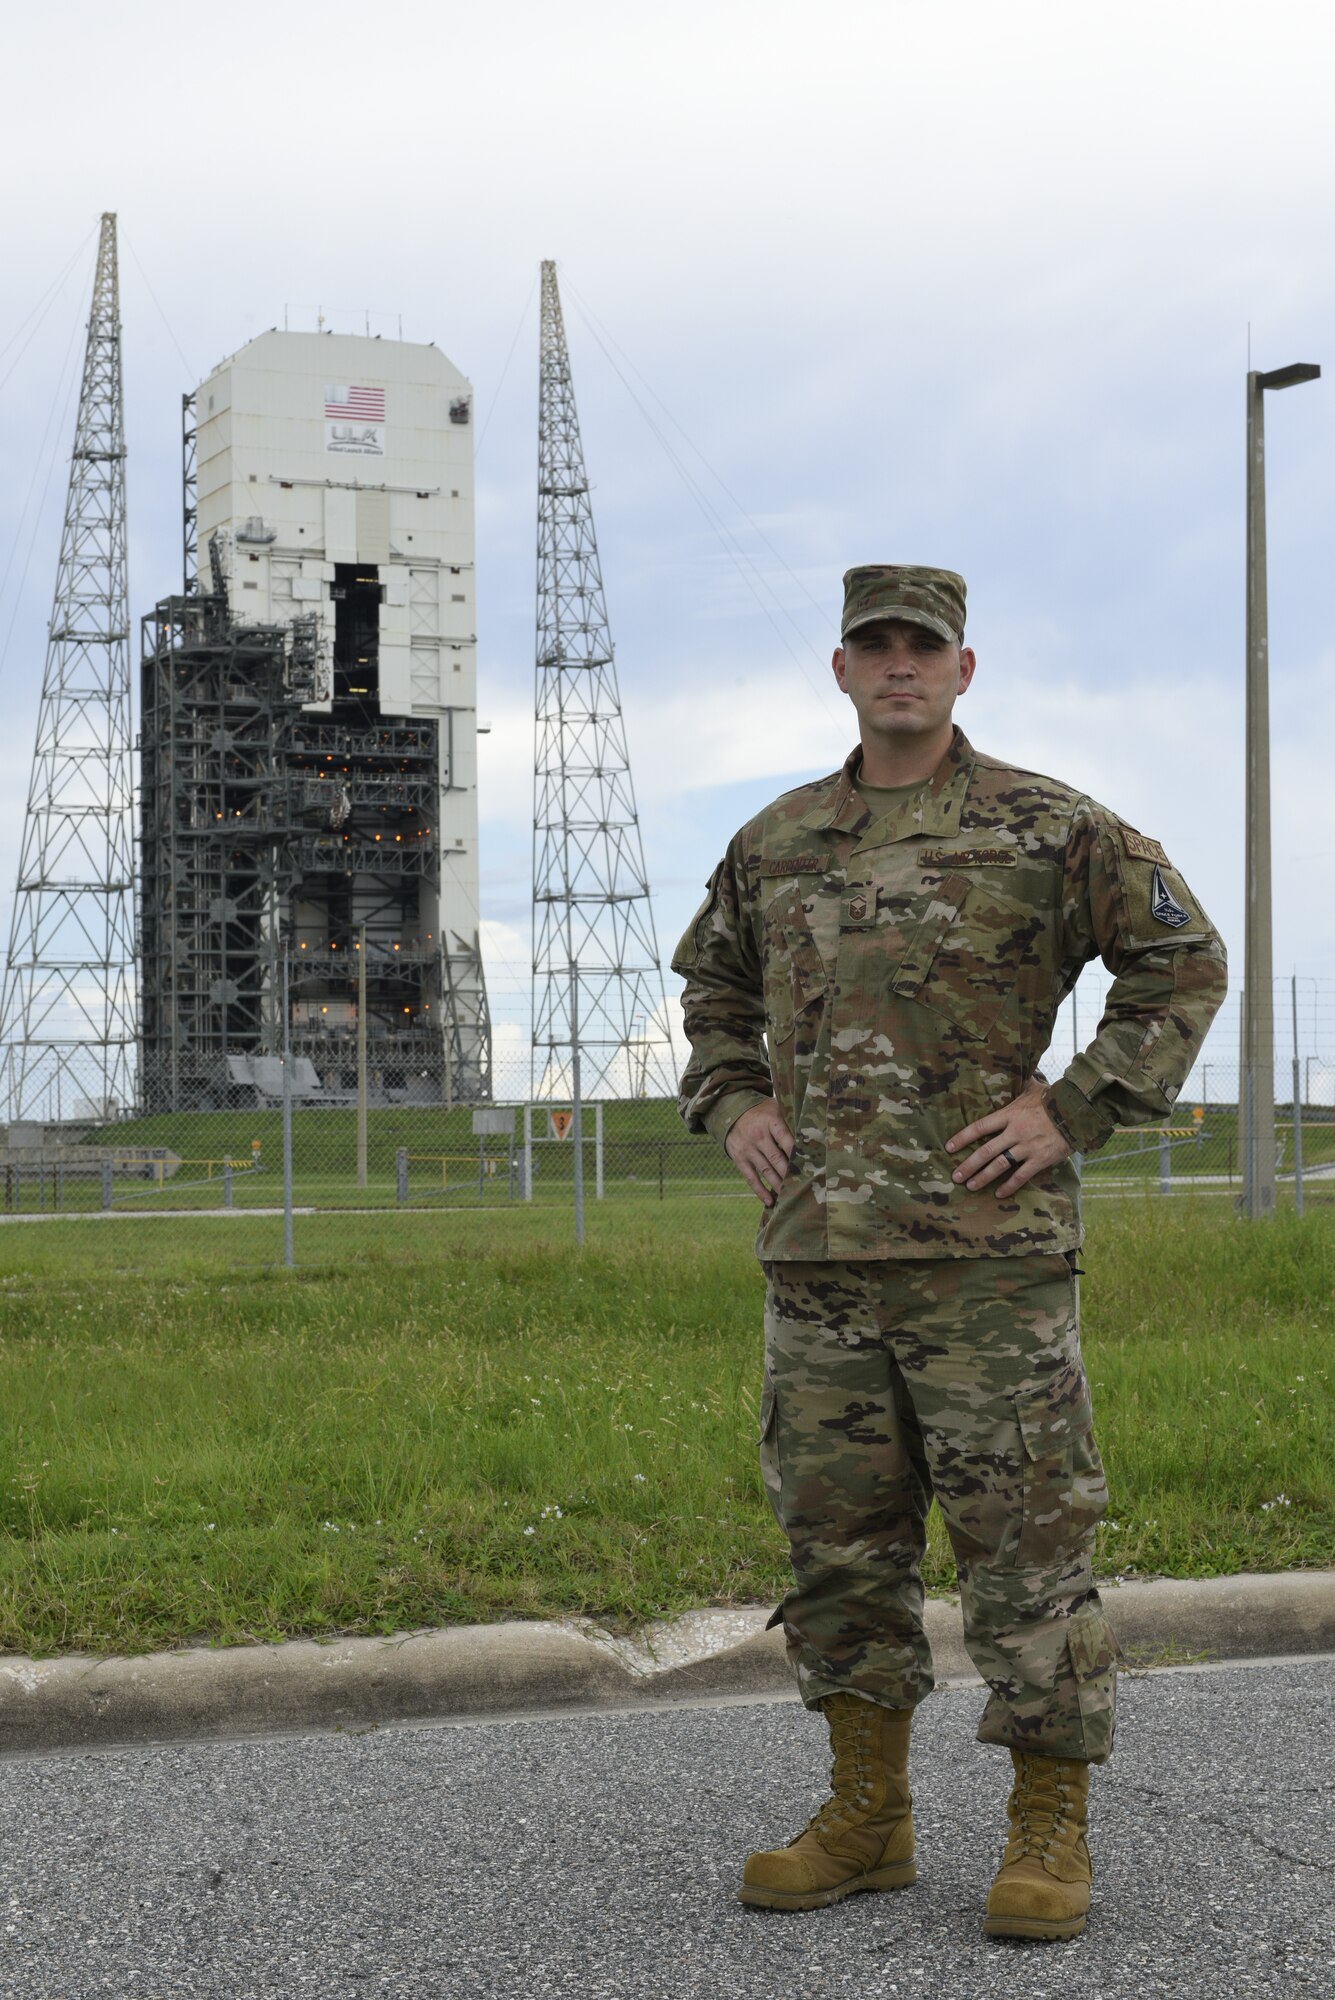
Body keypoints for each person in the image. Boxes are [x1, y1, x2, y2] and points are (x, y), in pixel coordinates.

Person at [671, 564, 1227, 1940]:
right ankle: (869, 1819)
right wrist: (735, 1100)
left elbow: (1182, 963)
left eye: (925, 646)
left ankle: (1049, 1829)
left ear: (964, 670)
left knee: (1025, 1553)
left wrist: (1072, 1111)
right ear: (843, 669)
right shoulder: (776, 840)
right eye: (877, 646)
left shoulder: (1047, 827)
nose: (901, 665)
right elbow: (713, 987)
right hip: (819, 1267)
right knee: (840, 1558)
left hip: (990, 1263)